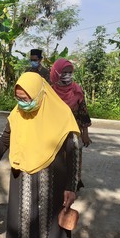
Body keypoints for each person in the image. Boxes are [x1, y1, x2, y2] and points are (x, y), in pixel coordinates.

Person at [0, 72, 81, 238]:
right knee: (21, 228)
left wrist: (71, 186)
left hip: (52, 181)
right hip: (21, 179)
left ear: (40, 94)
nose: (23, 104)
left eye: (27, 99)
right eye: (19, 98)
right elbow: (5, 137)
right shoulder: (18, 112)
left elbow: (74, 150)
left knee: (49, 230)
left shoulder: (62, 114)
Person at [50, 58, 92, 190]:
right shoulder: (50, 91)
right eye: (64, 72)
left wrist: (85, 134)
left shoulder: (76, 90)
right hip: (54, 132)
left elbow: (83, 112)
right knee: (56, 160)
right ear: (56, 73)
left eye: (70, 72)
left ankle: (73, 186)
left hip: (74, 132)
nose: (67, 75)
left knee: (73, 159)